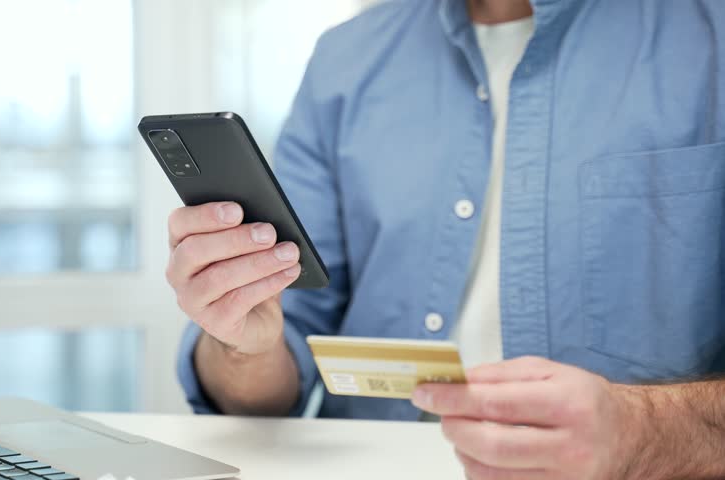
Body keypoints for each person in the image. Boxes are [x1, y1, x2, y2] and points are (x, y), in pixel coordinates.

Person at [168, 0, 725, 478]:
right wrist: (241, 342)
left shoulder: (709, 37)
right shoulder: (346, 60)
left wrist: (643, 432)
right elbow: (279, 361)